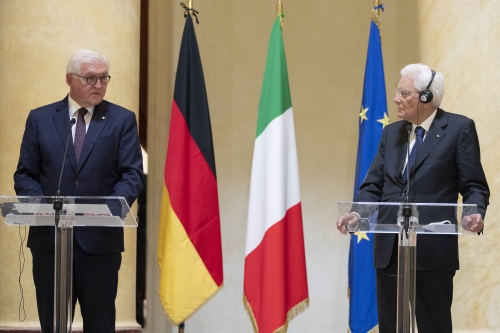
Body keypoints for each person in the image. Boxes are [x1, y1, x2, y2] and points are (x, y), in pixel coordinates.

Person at [336, 63, 489, 332]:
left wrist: (471, 214)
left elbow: (474, 185)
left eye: (404, 93)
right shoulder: (391, 133)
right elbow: (374, 185)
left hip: (432, 252)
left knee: (434, 327)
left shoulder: (458, 129)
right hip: (390, 250)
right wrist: (357, 213)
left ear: (426, 97)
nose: (396, 99)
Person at [14, 49, 144, 333]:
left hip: (99, 242)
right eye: (90, 78)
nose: (98, 85)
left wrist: (108, 209)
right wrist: (42, 207)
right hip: (51, 241)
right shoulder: (41, 118)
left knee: (100, 324)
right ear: (70, 79)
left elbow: (132, 174)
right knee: (54, 324)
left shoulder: (121, 120)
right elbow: (25, 174)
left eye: (103, 78)